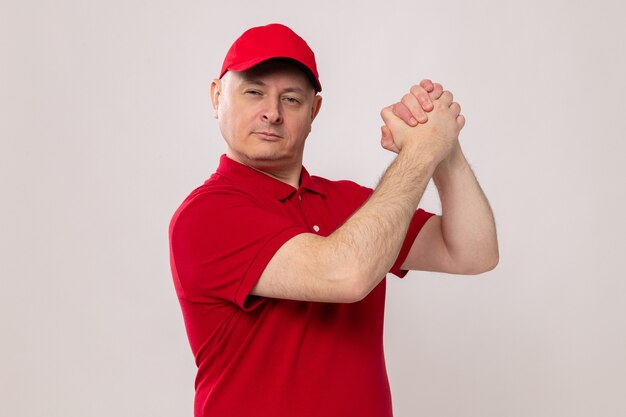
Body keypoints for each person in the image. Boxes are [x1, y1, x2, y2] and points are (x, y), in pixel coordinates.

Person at [169, 23, 498, 417]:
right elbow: (344, 274)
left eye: (291, 99)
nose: (271, 112)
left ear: (314, 111)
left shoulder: (354, 205)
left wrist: (445, 150)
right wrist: (419, 154)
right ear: (217, 96)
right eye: (253, 91)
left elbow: (472, 252)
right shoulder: (206, 215)